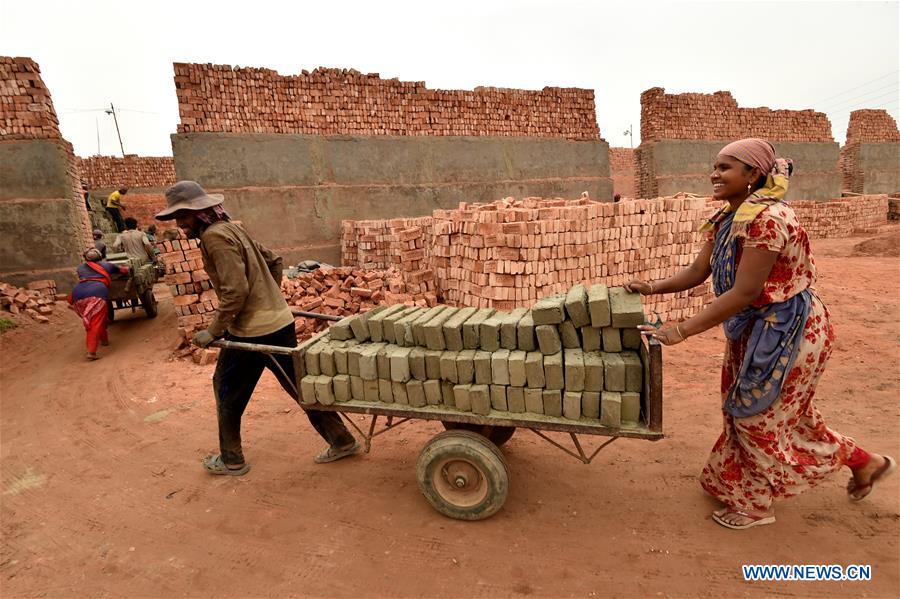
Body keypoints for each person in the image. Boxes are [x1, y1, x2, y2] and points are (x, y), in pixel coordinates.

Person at [627, 138, 894, 530]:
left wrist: (679, 332)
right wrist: (649, 288)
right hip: (752, 330)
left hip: (789, 332)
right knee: (771, 413)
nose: (714, 175)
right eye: (715, 167)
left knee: (757, 417)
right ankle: (863, 462)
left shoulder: (768, 220)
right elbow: (699, 272)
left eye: (725, 168)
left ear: (753, 174)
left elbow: (746, 291)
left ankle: (756, 505)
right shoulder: (728, 217)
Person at [155, 180, 359, 476]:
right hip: (280, 322)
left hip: (251, 330)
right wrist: (269, 300)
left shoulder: (214, 237)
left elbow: (235, 290)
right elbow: (274, 261)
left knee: (225, 389)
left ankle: (232, 459)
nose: (180, 225)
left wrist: (213, 331)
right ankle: (342, 440)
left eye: (182, 217)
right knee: (299, 385)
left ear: (197, 213)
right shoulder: (233, 229)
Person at [67, 248, 128, 360]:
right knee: (94, 323)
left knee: (100, 318)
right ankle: (91, 352)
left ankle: (104, 340)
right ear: (100, 256)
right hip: (96, 294)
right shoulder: (107, 265)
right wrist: (128, 269)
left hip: (78, 295)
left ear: (86, 258)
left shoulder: (80, 268)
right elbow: (123, 271)